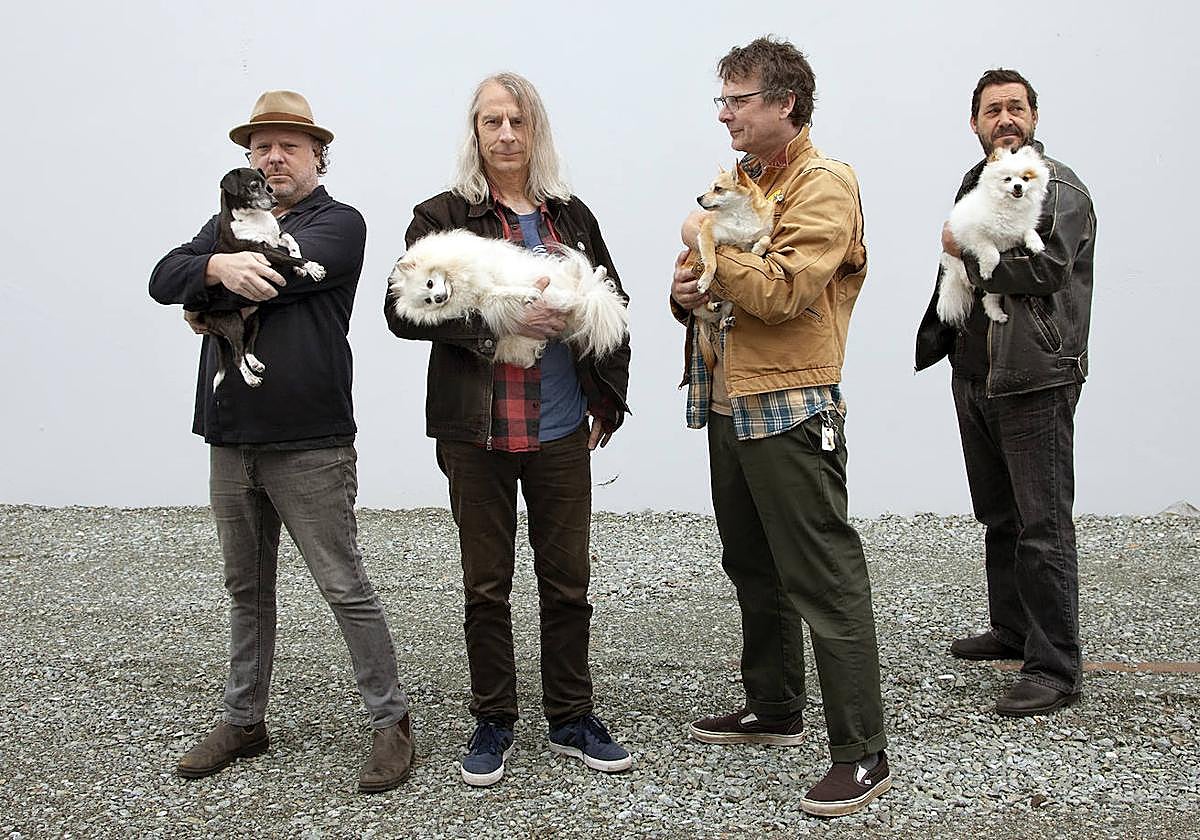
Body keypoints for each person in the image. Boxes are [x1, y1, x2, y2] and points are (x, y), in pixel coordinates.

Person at [149, 90, 414, 793]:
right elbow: (162, 277)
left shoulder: (339, 223)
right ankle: (245, 721)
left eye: (289, 146)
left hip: (309, 438)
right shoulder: (224, 225)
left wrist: (208, 290)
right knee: (246, 587)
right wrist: (214, 271)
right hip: (231, 435)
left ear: (317, 156)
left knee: (342, 583)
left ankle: (391, 722)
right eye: (261, 147)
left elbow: (281, 276)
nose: (274, 157)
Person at [384, 72, 632, 787]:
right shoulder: (439, 216)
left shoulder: (571, 217)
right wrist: (499, 322)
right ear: (475, 131)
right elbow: (401, 313)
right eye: (492, 121)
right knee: (486, 587)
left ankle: (571, 716)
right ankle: (493, 719)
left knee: (568, 584)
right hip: (478, 433)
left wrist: (609, 401)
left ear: (536, 131)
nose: (505, 134)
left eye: (518, 121)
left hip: (560, 429)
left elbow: (614, 304)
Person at [671, 37, 889, 818]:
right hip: (729, 400)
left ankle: (863, 753)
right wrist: (685, 289)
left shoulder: (823, 185)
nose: (724, 114)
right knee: (752, 563)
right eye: (723, 100)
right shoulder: (739, 182)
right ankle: (774, 707)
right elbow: (708, 280)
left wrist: (705, 249)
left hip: (792, 406)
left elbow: (786, 290)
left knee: (823, 577)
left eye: (738, 100)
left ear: (785, 103)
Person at [915, 69, 1096, 717]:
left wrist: (965, 254)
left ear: (1035, 117)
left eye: (1016, 107)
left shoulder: (1059, 188)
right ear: (975, 123)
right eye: (993, 110)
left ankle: (1055, 667)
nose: (1006, 119)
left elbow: (1046, 268)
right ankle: (1013, 630)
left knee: (1043, 524)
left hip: (1035, 374)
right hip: (978, 371)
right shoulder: (977, 181)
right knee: (999, 514)